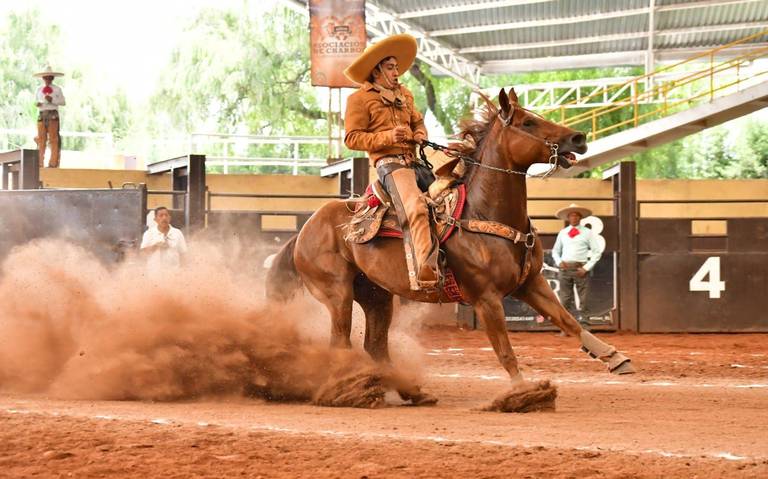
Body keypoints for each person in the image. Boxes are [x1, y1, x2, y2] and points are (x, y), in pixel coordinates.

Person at [343, 33, 438, 291]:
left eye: (396, 67)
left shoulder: (405, 94)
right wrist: (387, 137)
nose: (397, 72)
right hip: (390, 165)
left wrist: (420, 134)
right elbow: (351, 138)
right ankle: (425, 270)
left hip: (415, 163)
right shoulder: (358, 100)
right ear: (376, 71)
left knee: (451, 197)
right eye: (390, 67)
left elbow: (418, 121)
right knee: (416, 208)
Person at [551, 203, 603, 325]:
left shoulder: (587, 233)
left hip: (580, 268)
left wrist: (586, 267)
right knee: (565, 299)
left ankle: (585, 324)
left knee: (584, 298)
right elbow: (555, 250)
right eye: (571, 216)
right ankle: (567, 325)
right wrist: (559, 262)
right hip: (565, 269)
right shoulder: (563, 233)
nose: (574, 218)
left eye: (576, 216)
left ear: (580, 218)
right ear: (568, 218)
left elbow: (596, 251)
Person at [33, 65, 66, 168]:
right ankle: (39, 162)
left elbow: (63, 102)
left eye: (49, 77)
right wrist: (37, 104)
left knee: (53, 139)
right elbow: (35, 101)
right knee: (41, 138)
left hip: (52, 114)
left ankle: (53, 163)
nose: (47, 79)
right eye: (45, 77)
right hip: (42, 113)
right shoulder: (39, 89)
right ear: (43, 78)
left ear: (52, 78)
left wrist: (53, 100)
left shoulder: (57, 89)